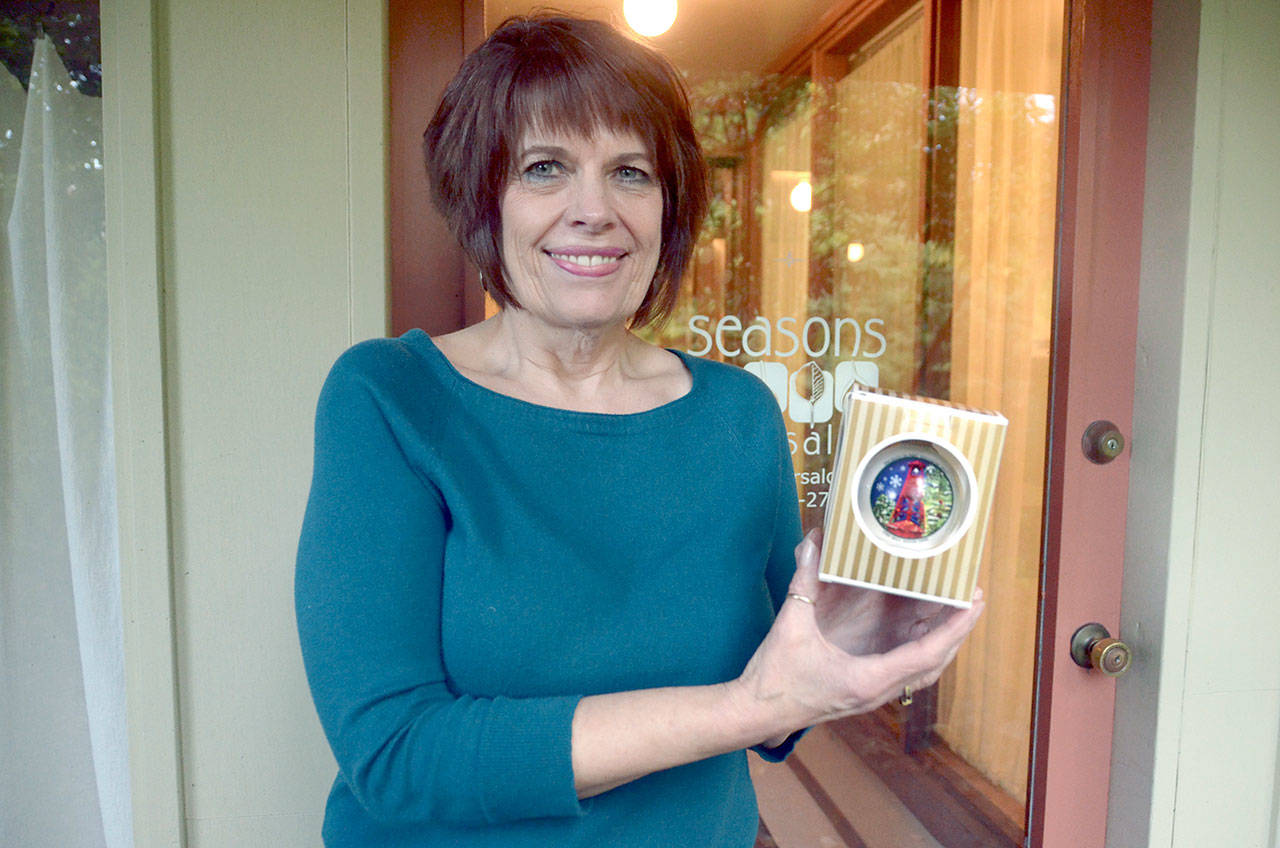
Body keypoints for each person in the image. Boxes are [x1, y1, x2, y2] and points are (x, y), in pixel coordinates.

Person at [295, 14, 984, 847]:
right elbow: (399, 756)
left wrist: (855, 644)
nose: (595, 210)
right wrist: (747, 706)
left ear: (669, 207)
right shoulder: (392, 399)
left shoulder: (736, 416)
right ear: (485, 197)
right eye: (546, 168)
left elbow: (777, 702)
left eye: (630, 172)